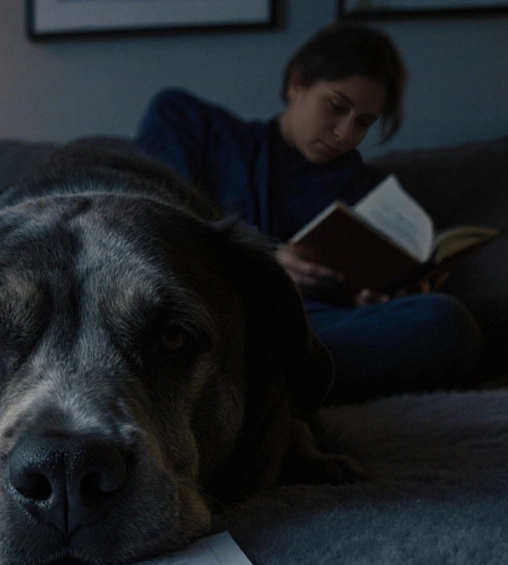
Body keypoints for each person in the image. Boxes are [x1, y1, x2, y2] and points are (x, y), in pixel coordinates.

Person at [136, 23, 480, 404]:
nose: (344, 133)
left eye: (364, 122)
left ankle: (268, 385)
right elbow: (157, 234)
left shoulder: (364, 190)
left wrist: (381, 298)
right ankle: (272, 381)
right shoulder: (199, 128)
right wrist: (267, 263)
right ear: (297, 84)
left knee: (448, 321)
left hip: (320, 329)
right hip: (225, 321)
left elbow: (367, 305)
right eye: (336, 107)